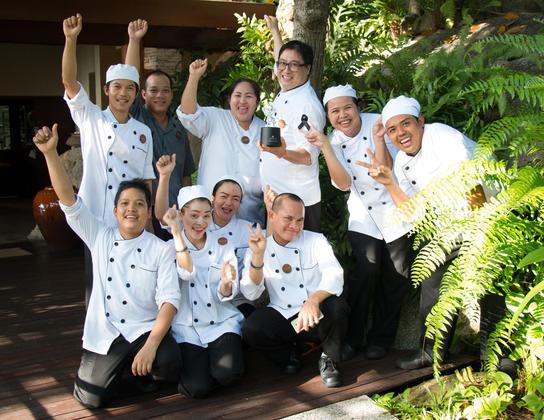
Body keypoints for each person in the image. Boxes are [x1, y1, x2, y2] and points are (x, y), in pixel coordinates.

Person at [32, 124, 181, 408]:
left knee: (170, 363)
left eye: (139, 204)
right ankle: (122, 372)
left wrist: (151, 344)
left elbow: (169, 300)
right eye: (125, 203)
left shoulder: (160, 249)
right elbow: (69, 201)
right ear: (115, 211)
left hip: (142, 330)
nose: (131, 209)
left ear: (148, 211)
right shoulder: (99, 236)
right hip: (107, 332)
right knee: (91, 397)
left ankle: (137, 368)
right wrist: (50, 153)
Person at [356, 95, 483, 370]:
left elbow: (472, 177)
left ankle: (497, 356)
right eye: (392, 129)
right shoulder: (401, 162)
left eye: (406, 124)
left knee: (487, 286)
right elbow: (412, 214)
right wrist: (390, 184)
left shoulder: (442, 136)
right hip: (446, 229)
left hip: (483, 216)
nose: (400, 133)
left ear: (420, 122)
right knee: (432, 284)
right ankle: (432, 351)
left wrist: (480, 230)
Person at [305, 84, 413, 361]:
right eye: (335, 111)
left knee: (397, 276)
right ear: (328, 116)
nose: (342, 115)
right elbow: (343, 184)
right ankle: (353, 337)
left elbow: (390, 170)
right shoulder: (332, 141)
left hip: (396, 207)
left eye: (347, 108)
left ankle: (380, 339)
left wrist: (379, 141)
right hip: (363, 214)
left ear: (358, 107)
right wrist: (326, 146)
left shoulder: (380, 124)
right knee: (366, 270)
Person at [62, 14, 155, 306]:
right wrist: (71, 39)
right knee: (98, 281)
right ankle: (96, 329)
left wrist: (148, 218)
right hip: (97, 217)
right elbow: (69, 82)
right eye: (116, 87)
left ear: (136, 94)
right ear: (106, 91)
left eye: (129, 88)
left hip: (132, 216)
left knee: (131, 280)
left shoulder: (143, 132)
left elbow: (146, 179)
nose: (123, 93)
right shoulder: (91, 118)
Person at [240, 193, 349, 388]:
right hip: (284, 314)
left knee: (338, 307)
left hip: (317, 315)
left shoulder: (315, 240)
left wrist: (313, 300)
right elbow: (251, 292)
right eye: (288, 219)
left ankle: (329, 358)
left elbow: (334, 275)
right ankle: (289, 355)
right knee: (252, 328)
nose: (295, 226)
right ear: (272, 216)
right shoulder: (260, 245)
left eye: (300, 220)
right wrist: (257, 256)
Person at [156, 160, 244, 398]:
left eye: (206, 216)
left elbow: (228, 293)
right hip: (187, 327)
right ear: (181, 214)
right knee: (197, 388)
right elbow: (187, 272)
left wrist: (226, 283)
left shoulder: (223, 245)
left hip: (220, 321)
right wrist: (176, 232)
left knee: (228, 374)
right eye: (194, 215)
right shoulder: (169, 247)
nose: (200, 222)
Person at [125, 19, 195, 240]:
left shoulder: (179, 128)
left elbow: (185, 175)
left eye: (165, 91)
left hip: (174, 212)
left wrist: (187, 207)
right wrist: (134, 40)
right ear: (143, 94)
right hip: (144, 212)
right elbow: (130, 78)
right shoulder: (137, 117)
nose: (160, 95)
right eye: (154, 90)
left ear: (172, 95)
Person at [176, 59, 265, 225]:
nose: (242, 101)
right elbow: (187, 114)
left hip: (249, 215)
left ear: (257, 102)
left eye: (249, 96)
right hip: (208, 216)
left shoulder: (265, 129)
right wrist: (194, 77)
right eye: (237, 96)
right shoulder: (215, 117)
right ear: (229, 100)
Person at [262, 16, 326, 232]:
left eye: (294, 65)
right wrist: (274, 30)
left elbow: (308, 156)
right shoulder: (287, 86)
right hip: (276, 195)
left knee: (299, 251)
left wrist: (281, 152)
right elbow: (280, 59)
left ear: (307, 69)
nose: (285, 70)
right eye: (282, 64)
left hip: (298, 203)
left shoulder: (307, 106)